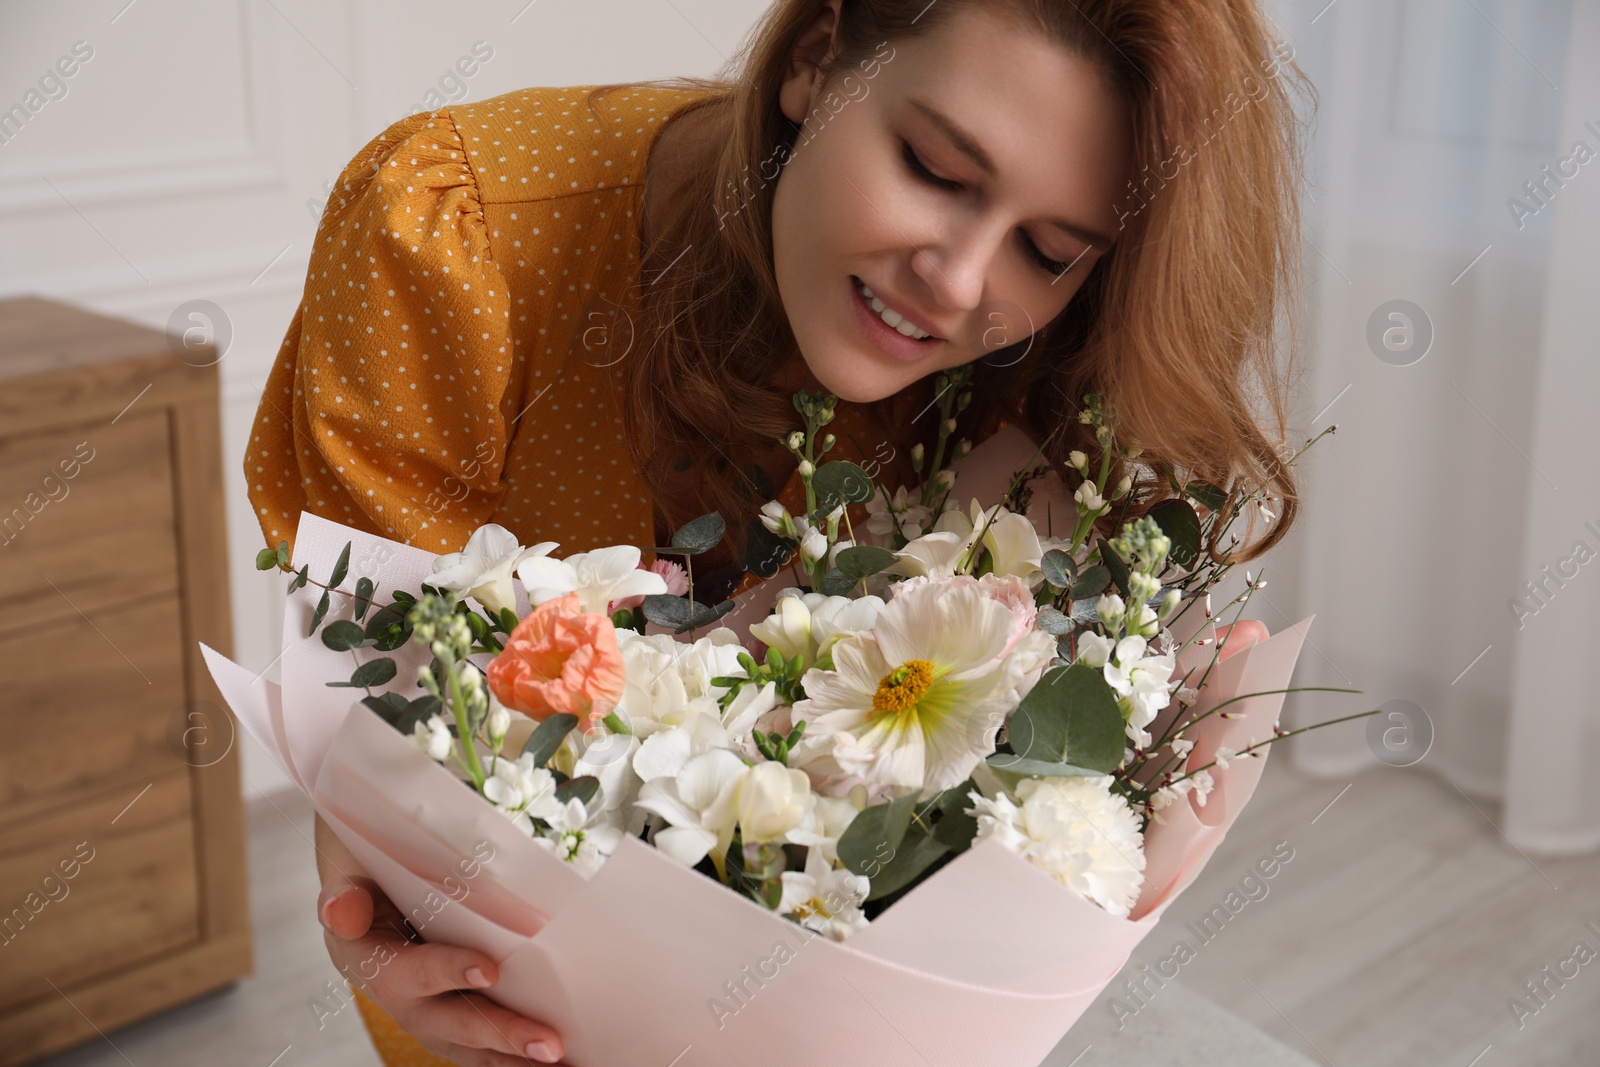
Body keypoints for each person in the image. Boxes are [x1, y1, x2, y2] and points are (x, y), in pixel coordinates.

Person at [247, 0, 1309, 1062]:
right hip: (502, 985)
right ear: (815, 57)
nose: (956, 281)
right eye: (935, 169)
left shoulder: (1025, 378)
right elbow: (385, 679)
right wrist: (361, 864)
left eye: (1046, 248)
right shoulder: (453, 236)